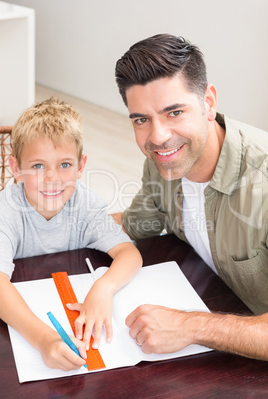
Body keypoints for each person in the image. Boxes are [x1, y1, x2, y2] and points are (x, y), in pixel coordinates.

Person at [112, 34, 268, 360]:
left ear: (208, 103)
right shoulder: (163, 162)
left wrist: (188, 328)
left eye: (174, 112)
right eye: (142, 119)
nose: (158, 137)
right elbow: (134, 223)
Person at [0, 97, 142, 371]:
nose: (52, 178)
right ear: (16, 168)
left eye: (64, 164)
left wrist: (103, 288)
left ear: (80, 166)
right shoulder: (6, 211)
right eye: (38, 166)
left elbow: (129, 254)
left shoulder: (85, 204)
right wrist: (43, 339)